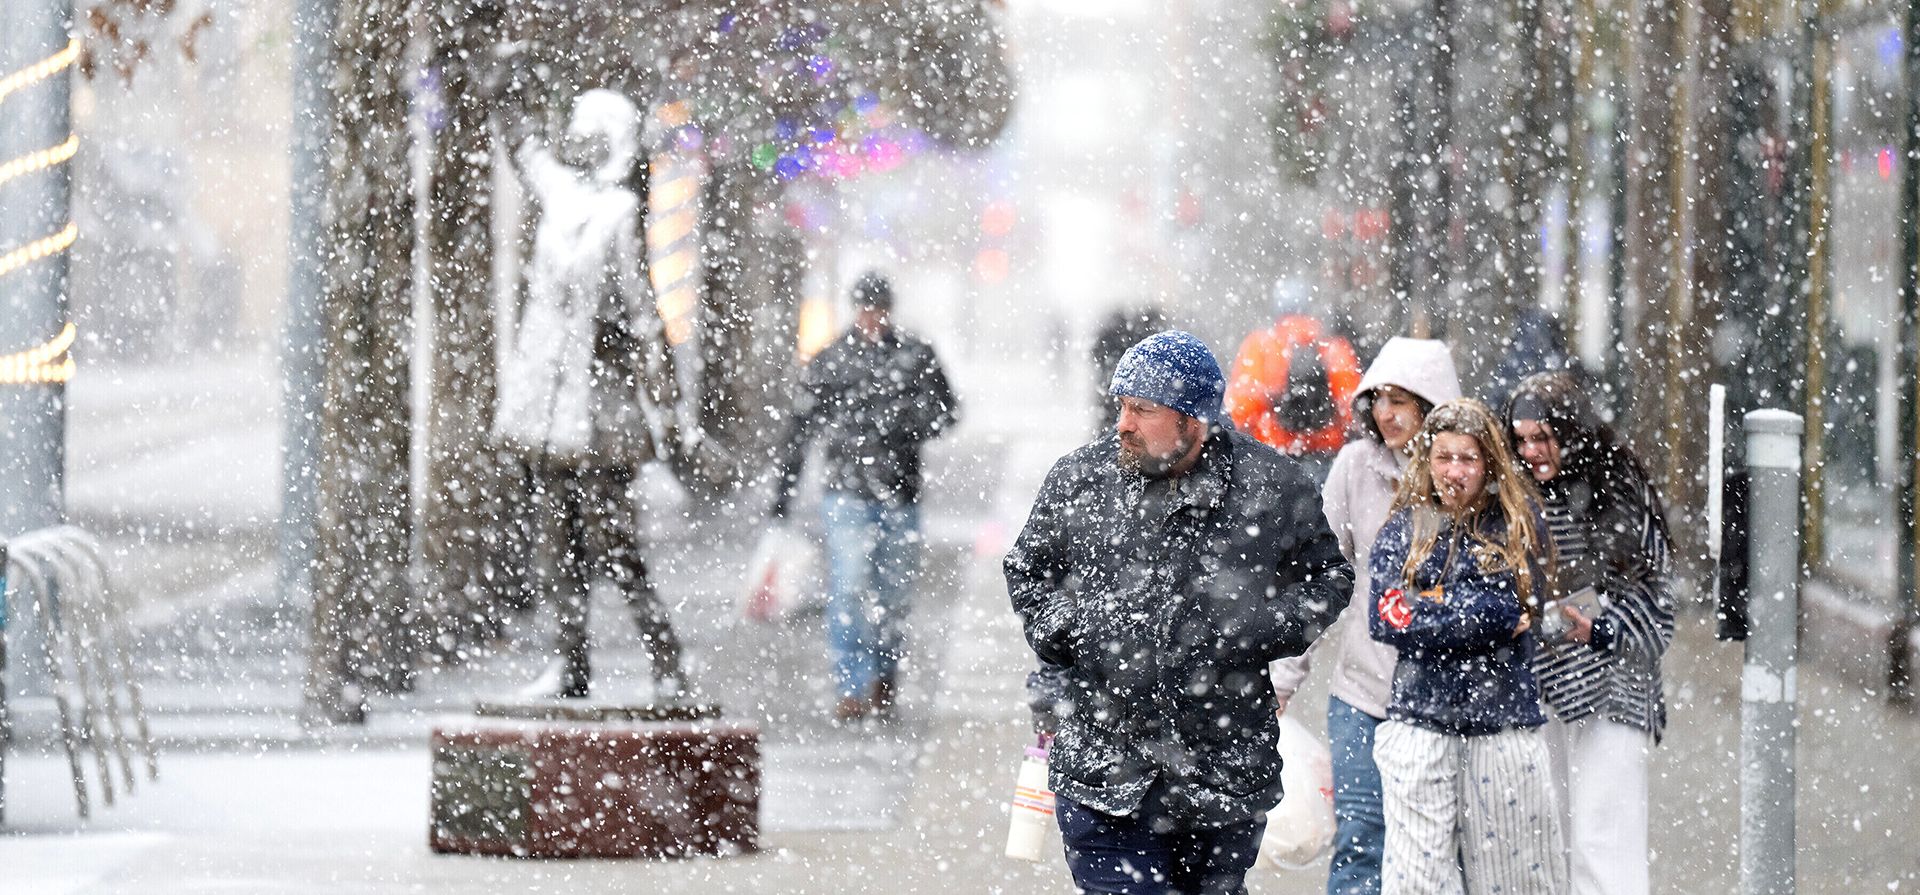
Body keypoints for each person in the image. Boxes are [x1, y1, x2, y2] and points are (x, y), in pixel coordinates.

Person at [1006, 330, 1354, 895]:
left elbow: (1329, 577)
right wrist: (1074, 632)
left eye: (1143, 410)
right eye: (1122, 406)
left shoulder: (1270, 486)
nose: (1123, 423)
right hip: (1104, 768)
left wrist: (1257, 630)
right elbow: (1028, 570)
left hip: (1223, 774)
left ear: (1194, 422)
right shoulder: (1081, 480)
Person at [493, 88, 688, 700]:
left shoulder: (619, 212)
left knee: (615, 545)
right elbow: (522, 147)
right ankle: (568, 663)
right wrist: (504, 79)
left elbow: (642, 307)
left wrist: (666, 395)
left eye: (590, 133)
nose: (576, 143)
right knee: (557, 542)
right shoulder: (557, 193)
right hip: (549, 407)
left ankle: (667, 662)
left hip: (602, 408)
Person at [1269, 337, 1463, 895]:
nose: (1385, 413)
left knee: (1442, 848)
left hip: (1444, 701)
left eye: (1400, 400)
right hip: (1362, 694)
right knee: (1361, 839)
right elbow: (1317, 579)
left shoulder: (1463, 473)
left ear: (1433, 406)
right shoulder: (1355, 467)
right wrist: (1284, 677)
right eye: (1378, 399)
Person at [1368, 399, 1565, 895]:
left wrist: (1435, 603)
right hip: (1418, 720)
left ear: (1490, 463)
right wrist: (1486, 614)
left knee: (1517, 882)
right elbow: (1388, 617)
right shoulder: (1403, 530)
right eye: (1444, 458)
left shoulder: (1518, 525)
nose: (1454, 472)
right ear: (1426, 461)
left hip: (1503, 723)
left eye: (1468, 459)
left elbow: (1525, 607)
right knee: (1415, 883)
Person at [1505, 371, 1673, 895]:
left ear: (1570, 431)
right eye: (1522, 439)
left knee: (1605, 837)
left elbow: (1658, 597)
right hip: (1544, 683)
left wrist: (1605, 629)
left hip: (1615, 685)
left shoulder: (1618, 486)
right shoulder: (1515, 493)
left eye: (1542, 437)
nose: (1532, 451)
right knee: (1551, 832)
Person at [770, 273, 959, 722]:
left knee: (893, 592)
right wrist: (784, 493)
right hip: (847, 491)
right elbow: (799, 430)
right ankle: (852, 683)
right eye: (865, 309)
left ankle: (884, 671)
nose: (871, 318)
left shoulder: (916, 356)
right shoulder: (832, 360)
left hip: (900, 492)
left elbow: (947, 412)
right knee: (851, 586)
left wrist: (905, 423)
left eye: (878, 309)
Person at [1223, 279, 1363, 483]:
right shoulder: (1333, 346)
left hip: (1274, 458)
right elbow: (1353, 407)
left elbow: (1241, 409)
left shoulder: (1260, 346)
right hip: (1327, 457)